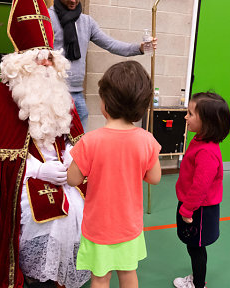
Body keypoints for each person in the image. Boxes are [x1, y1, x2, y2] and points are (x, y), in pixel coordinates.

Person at [0, 0, 89, 288]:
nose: (46, 64)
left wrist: (71, 165)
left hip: (63, 173)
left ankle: (64, 273)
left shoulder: (62, 98)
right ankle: (39, 277)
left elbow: (76, 141)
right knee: (51, 220)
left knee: (82, 207)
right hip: (21, 179)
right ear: (20, 62)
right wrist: (36, 170)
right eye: (39, 58)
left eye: (50, 57)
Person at [67, 60, 162, 288]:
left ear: (105, 103)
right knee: (128, 273)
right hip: (129, 225)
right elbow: (154, 178)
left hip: (98, 227)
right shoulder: (146, 140)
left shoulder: (90, 141)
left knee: (100, 278)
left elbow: (73, 179)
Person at [49, 0, 157, 130]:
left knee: (79, 146)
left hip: (77, 94)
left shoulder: (87, 22)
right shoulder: (46, 18)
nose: (73, 0)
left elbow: (111, 45)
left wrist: (139, 48)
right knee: (54, 144)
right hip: (53, 92)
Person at [173, 92, 230, 288]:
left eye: (190, 114)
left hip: (199, 209)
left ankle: (198, 285)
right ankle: (197, 279)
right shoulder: (199, 140)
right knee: (194, 248)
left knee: (196, 249)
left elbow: (200, 187)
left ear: (207, 122)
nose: (185, 117)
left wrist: (187, 209)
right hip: (194, 206)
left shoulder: (206, 152)